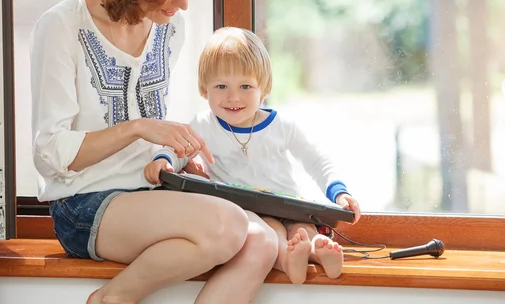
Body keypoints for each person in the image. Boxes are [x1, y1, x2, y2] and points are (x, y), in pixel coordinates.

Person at [30, 0, 279, 303]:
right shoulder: (62, 25)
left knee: (262, 241)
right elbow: (50, 155)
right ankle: (112, 299)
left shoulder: (170, 27)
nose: (182, 3)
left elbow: (163, 132)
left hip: (151, 190)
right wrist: (137, 127)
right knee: (229, 225)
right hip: (84, 204)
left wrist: (180, 154)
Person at [144, 27, 362, 284]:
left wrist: (339, 192)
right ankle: (291, 260)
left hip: (290, 204)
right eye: (221, 86)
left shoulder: (281, 125)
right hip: (247, 213)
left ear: (264, 88)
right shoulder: (204, 125)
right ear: (205, 90)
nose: (233, 97)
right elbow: (177, 149)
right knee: (274, 232)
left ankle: (320, 250)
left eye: (245, 86)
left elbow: (315, 160)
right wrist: (163, 160)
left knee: (304, 230)